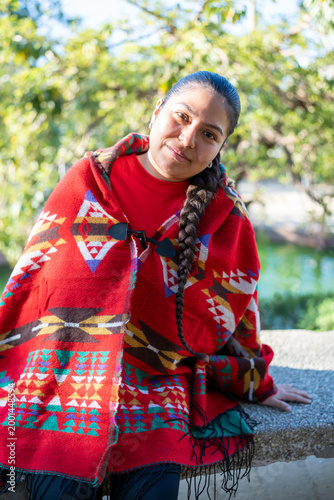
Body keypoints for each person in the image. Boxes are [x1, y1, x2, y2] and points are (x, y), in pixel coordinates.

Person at [0, 71, 311, 500]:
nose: (186, 139)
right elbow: (33, 282)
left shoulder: (223, 214)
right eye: (181, 117)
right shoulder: (88, 181)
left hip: (156, 380)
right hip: (65, 371)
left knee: (153, 485)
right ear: (156, 113)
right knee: (55, 484)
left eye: (208, 134)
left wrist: (255, 379)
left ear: (221, 147)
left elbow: (237, 304)